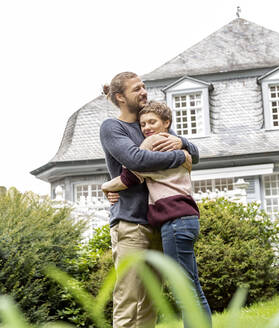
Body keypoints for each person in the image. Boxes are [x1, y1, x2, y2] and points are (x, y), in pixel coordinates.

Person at [99, 72, 199, 328]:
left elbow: (194, 153)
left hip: (159, 222)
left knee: (150, 302)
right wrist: (179, 157)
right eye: (136, 89)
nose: (144, 91)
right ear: (120, 97)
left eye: (144, 86)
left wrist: (183, 143)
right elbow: (136, 161)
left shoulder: (150, 123)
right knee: (129, 298)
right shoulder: (113, 128)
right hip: (130, 223)